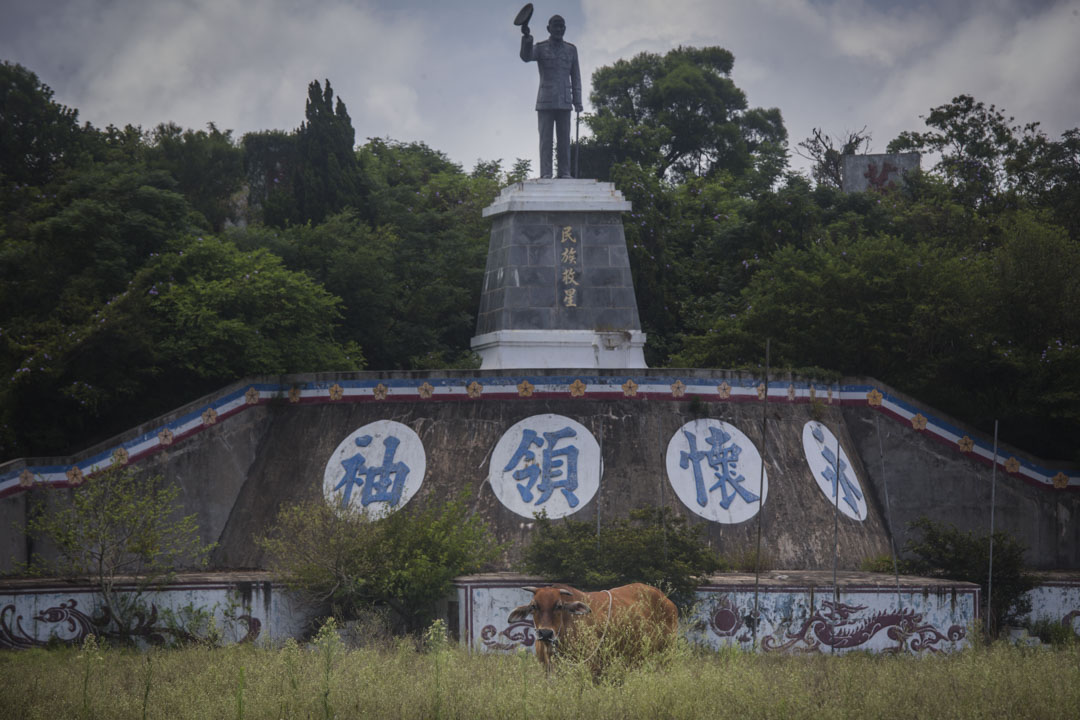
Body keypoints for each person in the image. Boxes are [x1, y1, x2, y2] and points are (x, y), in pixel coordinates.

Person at [520, 14, 582, 179]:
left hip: (565, 101)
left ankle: (564, 173)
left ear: (565, 29)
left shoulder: (571, 50)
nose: (559, 29)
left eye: (562, 26)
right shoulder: (540, 47)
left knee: (564, 141)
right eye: (556, 26)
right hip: (545, 100)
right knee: (546, 141)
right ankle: (546, 173)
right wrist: (527, 38)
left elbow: (576, 76)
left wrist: (578, 100)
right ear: (549, 28)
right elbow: (526, 57)